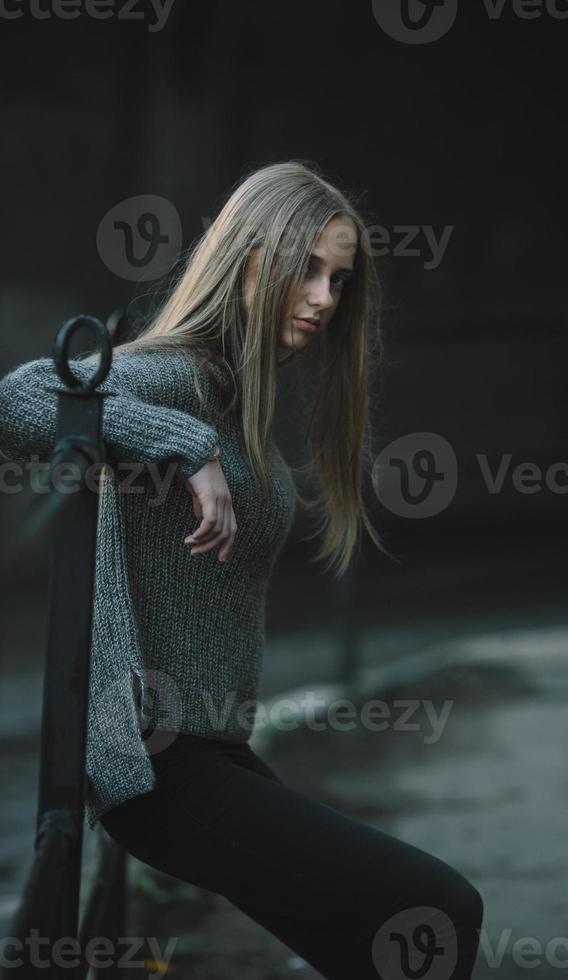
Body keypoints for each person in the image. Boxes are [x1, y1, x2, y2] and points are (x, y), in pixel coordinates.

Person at [0, 161, 483, 978]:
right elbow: (21, 398)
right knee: (433, 910)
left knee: (381, 943)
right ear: (251, 258)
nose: (326, 298)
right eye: (308, 269)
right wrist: (184, 448)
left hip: (210, 754)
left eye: (339, 279)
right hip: (159, 768)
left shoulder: (230, 393)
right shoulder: (181, 373)